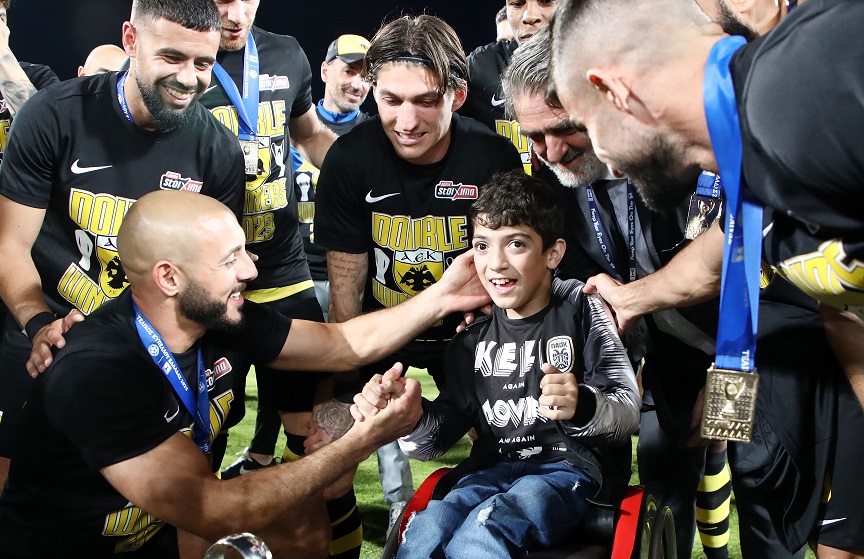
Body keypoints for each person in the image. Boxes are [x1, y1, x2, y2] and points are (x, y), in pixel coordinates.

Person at [0, 189, 490, 559]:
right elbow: (215, 510)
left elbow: (342, 345)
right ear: (169, 277)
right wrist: (363, 439)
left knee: (301, 521)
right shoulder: (97, 371)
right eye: (229, 258)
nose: (251, 271)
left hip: (155, 533)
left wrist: (445, 295)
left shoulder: (221, 319)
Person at [551, 0, 864, 557]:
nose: (609, 165)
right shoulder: (752, 142)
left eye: (586, 127)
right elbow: (712, 263)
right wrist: (629, 299)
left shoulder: (809, 85)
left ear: (614, 91)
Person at [503, 27, 731, 559]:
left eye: (565, 128)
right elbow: (580, 269)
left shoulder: (681, 145)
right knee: (663, 487)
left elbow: (743, 268)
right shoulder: (554, 175)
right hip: (666, 356)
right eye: (534, 137)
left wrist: (727, 373)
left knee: (764, 489)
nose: (551, 151)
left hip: (749, 350)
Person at [0, 0, 245, 492]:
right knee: (19, 494)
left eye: (203, 63)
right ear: (131, 39)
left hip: (147, 356)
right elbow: (10, 242)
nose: (189, 79)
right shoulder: (54, 115)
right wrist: (38, 322)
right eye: (171, 57)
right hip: (48, 338)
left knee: (153, 507)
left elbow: (210, 272)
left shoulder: (217, 148)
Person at [353, 171, 639, 558]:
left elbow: (627, 410)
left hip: (568, 469)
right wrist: (410, 416)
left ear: (553, 253)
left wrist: (581, 403)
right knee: (425, 529)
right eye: (483, 246)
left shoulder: (581, 307)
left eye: (516, 244)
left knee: (484, 530)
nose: (496, 263)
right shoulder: (471, 339)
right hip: (491, 468)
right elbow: (433, 444)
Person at [315, 14, 524, 531]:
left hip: (470, 334)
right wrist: (346, 391)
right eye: (391, 100)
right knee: (326, 461)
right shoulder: (350, 158)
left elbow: (516, 274)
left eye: (426, 101)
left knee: (513, 454)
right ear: (372, 92)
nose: (406, 121)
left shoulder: (493, 156)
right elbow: (345, 296)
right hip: (384, 329)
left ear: (457, 94)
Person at [196, 2, 362, 555]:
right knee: (199, 436)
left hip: (285, 273)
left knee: (319, 440)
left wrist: (361, 174)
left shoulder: (285, 53)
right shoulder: (185, 60)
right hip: (209, 283)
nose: (234, 12)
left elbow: (309, 134)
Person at [461, 0, 557, 174]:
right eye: (517, 4)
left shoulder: (594, 62)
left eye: (545, 2)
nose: (529, 16)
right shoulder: (480, 68)